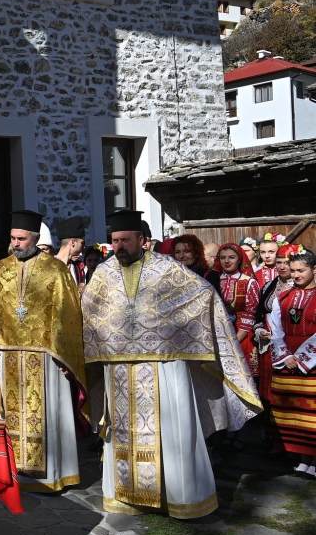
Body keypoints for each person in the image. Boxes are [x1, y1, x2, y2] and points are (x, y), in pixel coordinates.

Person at [83, 210, 261, 518]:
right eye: (114, 241)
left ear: (142, 240)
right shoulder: (104, 273)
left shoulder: (169, 269)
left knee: (171, 429)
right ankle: (128, 497)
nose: (119, 246)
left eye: (125, 240)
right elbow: (89, 314)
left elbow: (204, 295)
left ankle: (177, 497)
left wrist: (179, 334)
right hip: (119, 370)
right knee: (123, 432)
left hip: (164, 366)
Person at [0, 210, 87, 492]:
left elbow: (68, 315)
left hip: (46, 356)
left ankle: (53, 475)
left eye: (21, 239)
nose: (16, 243)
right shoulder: (3, 268)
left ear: (35, 239)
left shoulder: (55, 269)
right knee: (9, 413)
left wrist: (67, 356)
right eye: (13, 238)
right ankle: (11, 470)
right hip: (9, 354)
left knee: (48, 414)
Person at [265, 249, 316, 478]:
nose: (295, 275)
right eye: (293, 271)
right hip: (288, 359)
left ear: (314, 270)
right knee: (295, 413)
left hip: (311, 361)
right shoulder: (284, 297)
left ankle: (314, 460)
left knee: (312, 413)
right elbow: (275, 329)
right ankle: (303, 459)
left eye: (301, 270)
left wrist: (304, 358)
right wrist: (286, 356)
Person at [255, 244, 300, 410]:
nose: (282, 266)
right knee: (270, 394)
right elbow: (258, 315)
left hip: (295, 345)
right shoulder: (269, 287)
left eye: (286, 262)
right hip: (269, 347)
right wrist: (259, 330)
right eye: (279, 262)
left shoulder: (303, 287)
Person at [212, 243, 261, 375]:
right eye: (223, 258)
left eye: (231, 257)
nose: (227, 261)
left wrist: (234, 341)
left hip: (242, 335)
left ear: (239, 259)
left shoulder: (249, 282)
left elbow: (250, 315)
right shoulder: (212, 280)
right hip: (216, 335)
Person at [54, 216, 86, 286]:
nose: (83, 246)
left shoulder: (78, 269)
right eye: (82, 243)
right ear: (73, 242)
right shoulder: (51, 267)